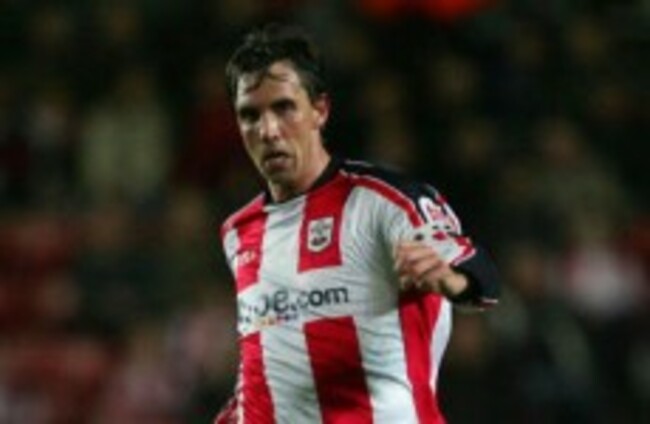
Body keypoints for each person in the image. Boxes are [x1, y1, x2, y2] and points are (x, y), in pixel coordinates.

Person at [214, 23, 500, 424]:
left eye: (284, 107)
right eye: (250, 115)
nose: (268, 130)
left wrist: (449, 279)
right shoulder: (238, 231)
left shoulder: (384, 201)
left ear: (320, 110)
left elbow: (482, 276)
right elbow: (268, 361)